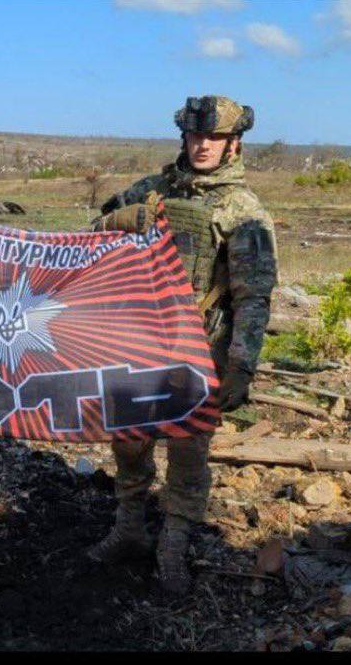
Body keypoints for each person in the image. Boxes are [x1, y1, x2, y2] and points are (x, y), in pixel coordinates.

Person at [89, 95, 277, 595]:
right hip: (137, 347)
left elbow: (253, 297)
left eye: (214, 138)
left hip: (198, 356)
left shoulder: (243, 211)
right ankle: (130, 529)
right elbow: (88, 242)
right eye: (196, 136)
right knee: (128, 444)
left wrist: (240, 367)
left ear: (233, 145)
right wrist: (116, 222)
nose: (203, 146)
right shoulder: (150, 191)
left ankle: (172, 546)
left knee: (188, 455)